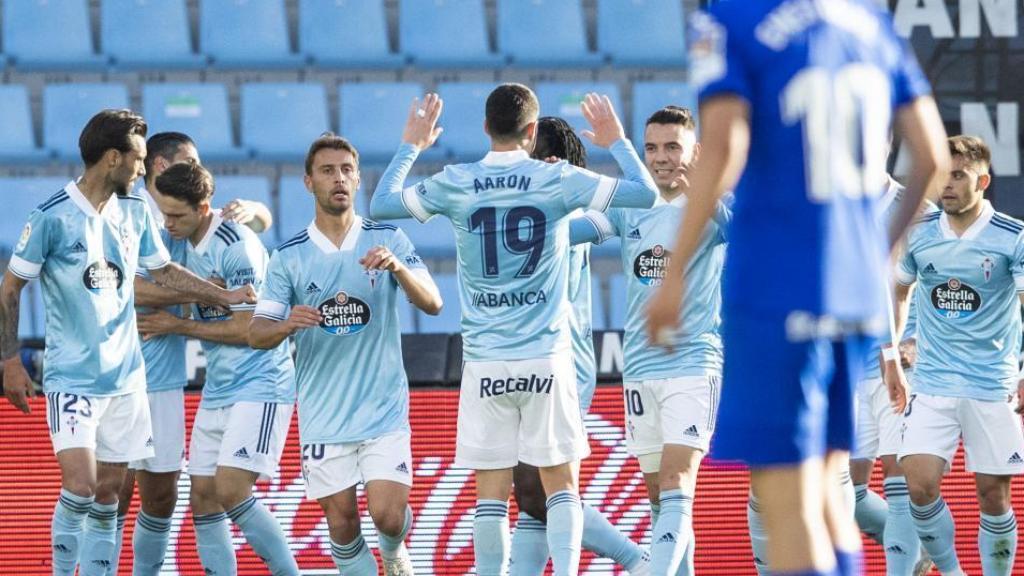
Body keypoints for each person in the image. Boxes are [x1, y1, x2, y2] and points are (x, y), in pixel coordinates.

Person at [645, 1, 951, 574]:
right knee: (831, 496)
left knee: (788, 502)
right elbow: (932, 154)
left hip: (776, 287)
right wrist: (877, 250)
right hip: (856, 291)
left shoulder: (731, 19)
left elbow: (726, 146)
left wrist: (676, 268)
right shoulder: (869, 22)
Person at [369, 85, 657, 576]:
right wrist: (617, 140)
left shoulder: (458, 180)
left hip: (484, 363)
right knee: (557, 484)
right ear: (530, 131)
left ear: (485, 127)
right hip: (547, 357)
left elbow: (381, 205)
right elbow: (645, 194)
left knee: (491, 495)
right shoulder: (555, 180)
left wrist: (412, 144)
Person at [0, 109, 255, 576]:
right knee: (80, 486)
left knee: (108, 496)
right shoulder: (51, 217)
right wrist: (9, 360)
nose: (144, 169)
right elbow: (10, 287)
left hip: (127, 381)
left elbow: (162, 271)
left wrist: (223, 295)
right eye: (138, 158)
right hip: (72, 378)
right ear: (113, 158)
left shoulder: (136, 211)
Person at [249, 134, 443, 576]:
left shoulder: (387, 239)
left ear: (357, 179)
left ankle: (394, 551)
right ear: (307, 182)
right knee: (343, 526)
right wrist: (286, 324)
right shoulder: (289, 257)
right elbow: (257, 334)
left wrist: (398, 269)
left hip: (382, 409)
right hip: (324, 414)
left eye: (346, 170)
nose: (338, 178)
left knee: (388, 517)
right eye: (327, 171)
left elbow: (433, 303)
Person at [571, 106, 727, 576]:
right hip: (639, 369)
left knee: (679, 481)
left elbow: (744, 233)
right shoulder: (628, 206)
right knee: (662, 499)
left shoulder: (713, 205)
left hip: (694, 363)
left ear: (694, 152)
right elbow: (574, 232)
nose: (661, 158)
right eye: (652, 148)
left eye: (672, 147)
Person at [112, 131, 276, 576]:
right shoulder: (132, 211)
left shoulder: (185, 209)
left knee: (162, 498)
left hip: (164, 375)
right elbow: (119, 287)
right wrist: (208, 295)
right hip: (118, 372)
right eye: (191, 160)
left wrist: (255, 209)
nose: (200, 170)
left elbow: (255, 224)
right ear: (162, 167)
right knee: (110, 492)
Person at [137, 162, 298, 576]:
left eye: (177, 215)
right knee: (204, 498)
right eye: (164, 213)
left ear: (204, 207)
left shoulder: (236, 246)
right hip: (220, 386)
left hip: (261, 381)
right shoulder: (181, 243)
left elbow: (249, 330)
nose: (168, 223)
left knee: (230, 489)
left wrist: (178, 325)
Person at [510, 116, 650, 576]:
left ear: (550, 162)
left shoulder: (577, 218)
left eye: (524, 153)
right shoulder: (515, 207)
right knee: (529, 493)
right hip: (522, 362)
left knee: (542, 486)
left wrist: (621, 145)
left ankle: (638, 560)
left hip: (563, 364)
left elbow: (639, 197)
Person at [891, 135, 1024, 576]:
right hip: (932, 382)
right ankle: (950, 572)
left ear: (982, 180)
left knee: (993, 496)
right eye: (939, 176)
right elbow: (898, 290)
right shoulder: (920, 235)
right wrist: (893, 352)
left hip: (992, 383)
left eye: (958, 175)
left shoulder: (1012, 237)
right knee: (919, 484)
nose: (945, 185)